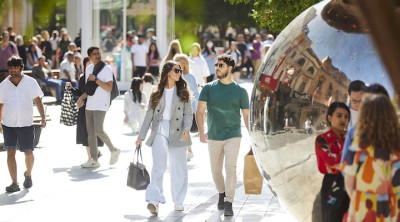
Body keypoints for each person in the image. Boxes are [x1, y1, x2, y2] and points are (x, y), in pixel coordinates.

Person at [135, 60, 192, 215]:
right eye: (176, 70)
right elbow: (148, 116)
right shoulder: (156, 92)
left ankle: (178, 201)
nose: (179, 73)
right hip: (160, 128)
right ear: (168, 72)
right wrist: (141, 137)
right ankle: (154, 200)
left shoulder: (184, 91)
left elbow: (188, 113)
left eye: (180, 70)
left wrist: (187, 128)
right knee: (159, 165)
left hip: (179, 130)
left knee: (178, 166)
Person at [196, 54, 249, 216]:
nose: (217, 68)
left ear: (230, 68)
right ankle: (221, 192)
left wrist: (252, 135)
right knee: (216, 171)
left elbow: (246, 116)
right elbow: (199, 111)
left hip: (233, 134)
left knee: (231, 168)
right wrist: (201, 131)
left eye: (221, 65)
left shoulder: (240, 91)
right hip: (214, 135)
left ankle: (229, 202)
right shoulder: (208, 88)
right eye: (216, 65)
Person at [341, 94, 400, 221]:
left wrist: (359, 199)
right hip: (391, 208)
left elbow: (348, 182)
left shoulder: (357, 145)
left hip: (364, 207)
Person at [0, 56, 46, 192]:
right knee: (10, 152)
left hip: (26, 123)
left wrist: (43, 117)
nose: (12, 70)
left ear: (21, 68)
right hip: (8, 124)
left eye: (15, 67)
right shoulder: (3, 85)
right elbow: (0, 105)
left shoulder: (30, 82)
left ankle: (28, 174)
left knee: (28, 153)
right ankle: (14, 183)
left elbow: (38, 101)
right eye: (10, 67)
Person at [80, 46, 121, 168]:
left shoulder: (106, 69)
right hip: (90, 104)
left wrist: (96, 79)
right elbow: (89, 87)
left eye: (99, 53)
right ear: (90, 57)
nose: (97, 55)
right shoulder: (89, 68)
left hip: (101, 104)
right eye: (94, 54)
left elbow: (109, 87)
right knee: (91, 133)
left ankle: (113, 150)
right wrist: (82, 98)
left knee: (98, 130)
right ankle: (94, 159)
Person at [315, 102, 350, 221]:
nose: (343, 119)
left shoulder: (350, 138)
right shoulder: (322, 139)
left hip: (349, 180)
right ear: (329, 117)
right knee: (331, 215)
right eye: (339, 115)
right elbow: (329, 159)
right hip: (332, 181)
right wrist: (349, 158)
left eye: (346, 116)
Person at [66, 56, 104, 161]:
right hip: (83, 109)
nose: (90, 66)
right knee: (85, 133)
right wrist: (70, 88)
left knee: (93, 132)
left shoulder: (98, 79)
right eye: (87, 63)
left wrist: (83, 100)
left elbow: (96, 94)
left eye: (91, 64)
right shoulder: (83, 78)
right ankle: (91, 157)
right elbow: (80, 92)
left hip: (94, 108)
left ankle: (94, 155)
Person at [173, 53, 199, 161]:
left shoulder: (190, 77)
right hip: (175, 108)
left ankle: (187, 151)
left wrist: (195, 108)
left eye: (179, 62)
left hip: (187, 108)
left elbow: (195, 93)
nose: (177, 64)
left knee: (185, 130)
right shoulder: (172, 76)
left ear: (184, 64)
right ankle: (188, 150)